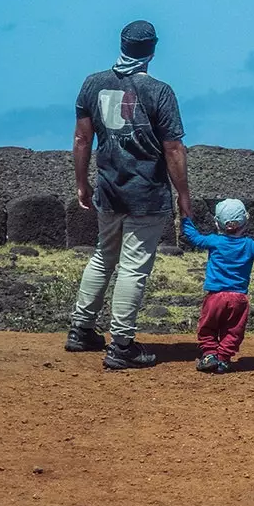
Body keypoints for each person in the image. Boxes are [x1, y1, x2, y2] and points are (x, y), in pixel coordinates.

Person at [66, 20, 192, 370]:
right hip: (146, 192)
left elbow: (81, 139)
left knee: (103, 255)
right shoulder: (159, 91)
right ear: (153, 50)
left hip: (109, 187)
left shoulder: (93, 84)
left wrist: (82, 182)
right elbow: (173, 148)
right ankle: (122, 344)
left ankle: (81, 328)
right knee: (134, 267)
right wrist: (183, 196)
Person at [181, 199, 254, 373]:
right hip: (238, 298)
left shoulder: (214, 241)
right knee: (233, 331)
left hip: (215, 296)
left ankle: (209, 354)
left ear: (217, 222)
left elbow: (193, 237)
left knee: (208, 327)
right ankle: (223, 358)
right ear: (246, 220)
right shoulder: (249, 245)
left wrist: (186, 218)